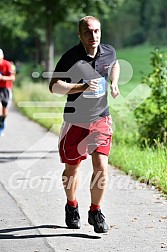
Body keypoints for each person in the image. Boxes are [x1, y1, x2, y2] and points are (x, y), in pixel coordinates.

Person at [49, 16, 120, 233]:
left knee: (101, 165)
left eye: (97, 31)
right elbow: (54, 86)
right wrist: (81, 88)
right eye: (88, 32)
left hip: (101, 119)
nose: (94, 36)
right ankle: (72, 206)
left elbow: (114, 64)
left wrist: (114, 83)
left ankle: (95, 211)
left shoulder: (108, 51)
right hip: (75, 121)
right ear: (80, 34)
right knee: (72, 168)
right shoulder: (71, 57)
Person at [0, 49, 16, 136]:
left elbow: (13, 78)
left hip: (6, 88)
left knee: (4, 111)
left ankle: (2, 123)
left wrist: (2, 78)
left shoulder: (7, 64)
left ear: (2, 57)